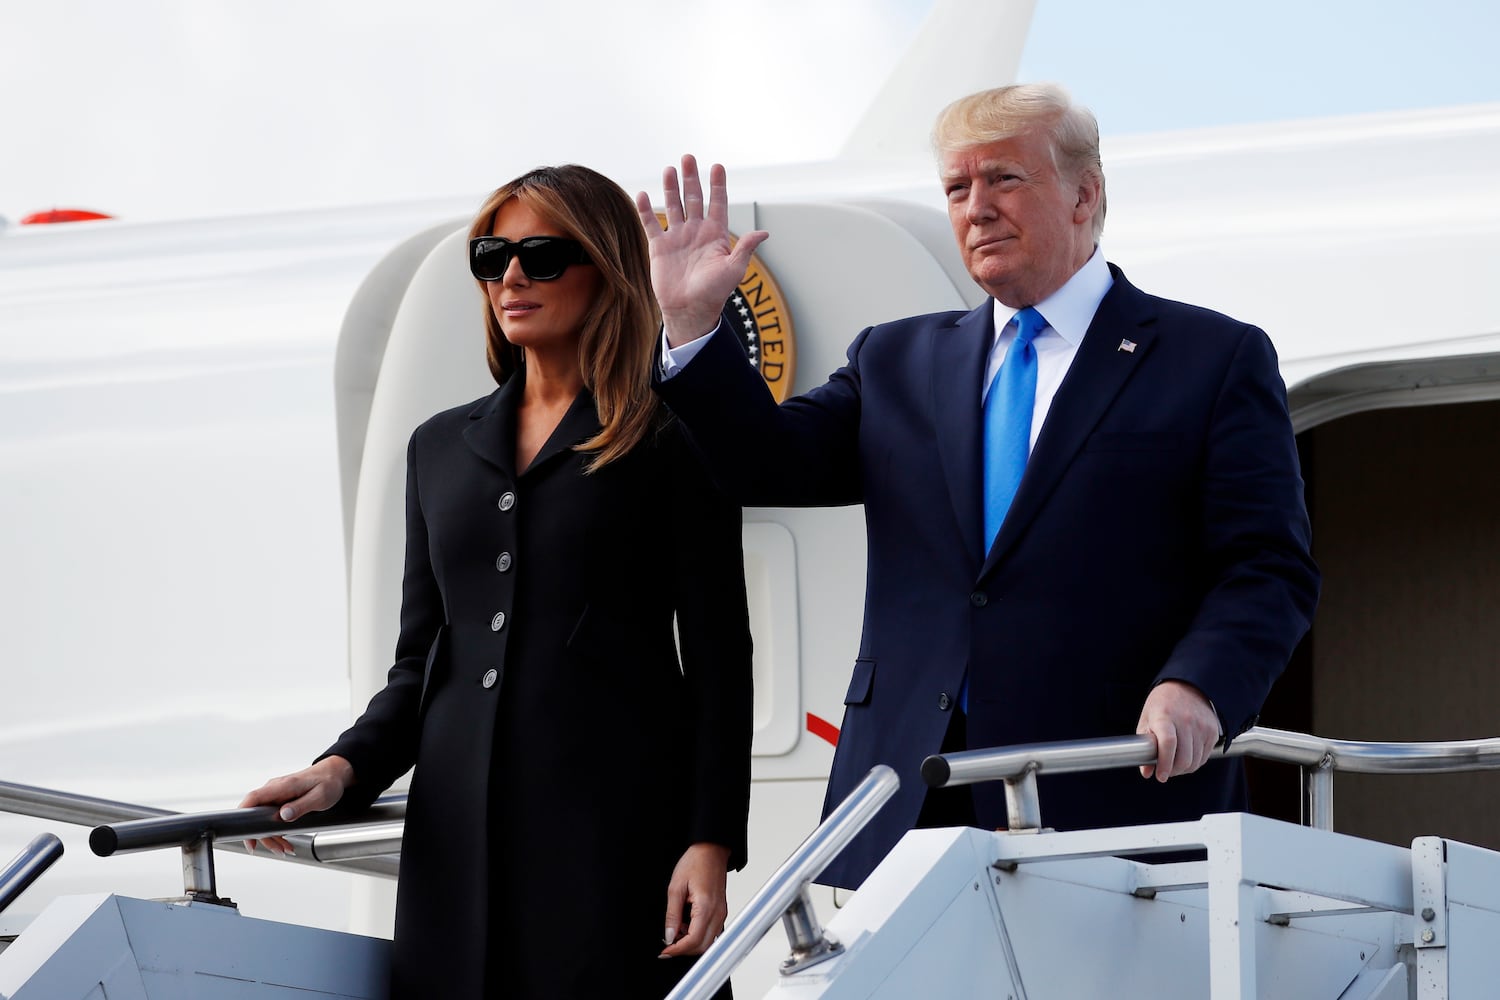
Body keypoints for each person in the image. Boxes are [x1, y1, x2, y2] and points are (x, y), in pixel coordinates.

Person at [638, 83, 1319, 890]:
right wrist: (694, 329)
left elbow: (1268, 565)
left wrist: (1198, 685)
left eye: (1004, 179)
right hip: (900, 798)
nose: (976, 208)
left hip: (1110, 794)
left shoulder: (1211, 358)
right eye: (957, 188)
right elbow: (767, 464)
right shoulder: (895, 361)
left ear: (1084, 194)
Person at [242, 164, 753, 998]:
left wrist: (711, 841)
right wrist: (343, 766)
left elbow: (720, 656)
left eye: (543, 256)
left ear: (606, 271)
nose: (511, 277)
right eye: (492, 255)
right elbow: (423, 661)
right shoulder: (438, 448)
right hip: (457, 846)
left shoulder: (667, 439)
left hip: (612, 842)